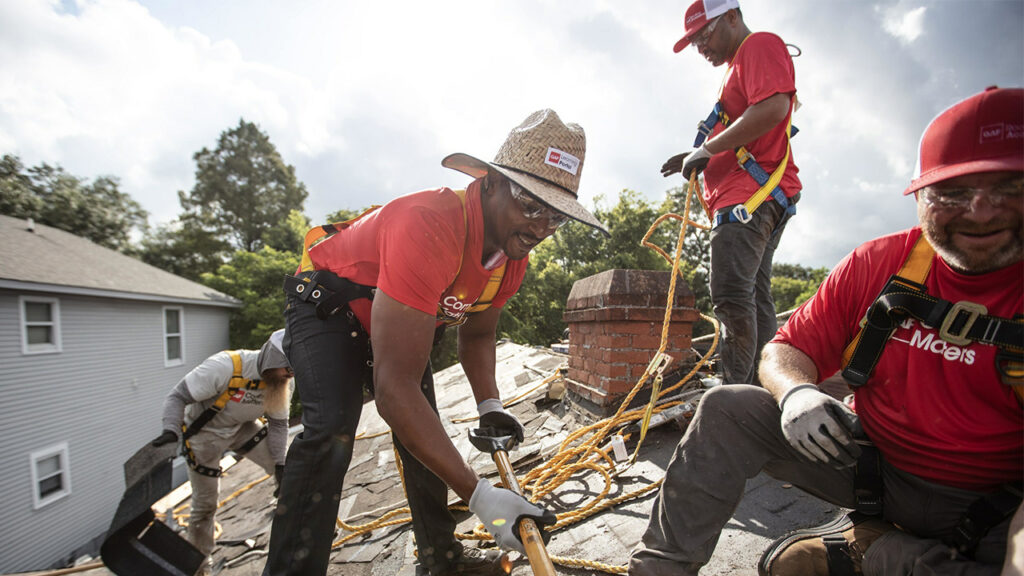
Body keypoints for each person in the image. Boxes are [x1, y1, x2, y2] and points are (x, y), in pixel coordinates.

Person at [629, 86, 1023, 576]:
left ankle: (876, 551)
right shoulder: (881, 265)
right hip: (877, 473)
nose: (981, 212)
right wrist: (796, 392)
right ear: (921, 196)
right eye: (954, 193)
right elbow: (785, 348)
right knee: (728, 408)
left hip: (995, 511)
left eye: (1010, 190)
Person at [264, 109, 608, 576]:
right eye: (531, 205)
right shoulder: (429, 224)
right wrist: (483, 499)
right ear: (489, 183)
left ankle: (443, 561)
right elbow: (393, 391)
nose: (540, 229)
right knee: (331, 434)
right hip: (330, 305)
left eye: (556, 218)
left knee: (423, 434)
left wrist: (490, 405)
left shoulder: (511, 255)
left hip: (399, 320)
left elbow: (479, 334)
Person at [661, 0, 801, 385]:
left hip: (749, 200)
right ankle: (760, 386)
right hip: (756, 196)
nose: (700, 48)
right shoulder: (736, 66)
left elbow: (773, 107)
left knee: (731, 297)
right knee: (753, 298)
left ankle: (734, 393)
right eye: (693, 42)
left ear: (732, 18)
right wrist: (698, 154)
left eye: (703, 36)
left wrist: (707, 150)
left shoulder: (758, 46)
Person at [151, 329, 293, 574]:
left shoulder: (281, 382)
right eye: (286, 368)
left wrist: (280, 465)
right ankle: (199, 566)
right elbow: (177, 397)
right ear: (272, 360)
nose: (290, 374)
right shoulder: (224, 367)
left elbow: (279, 424)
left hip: (242, 429)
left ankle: (302, 532)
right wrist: (171, 431)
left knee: (291, 475)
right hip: (204, 434)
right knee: (205, 506)